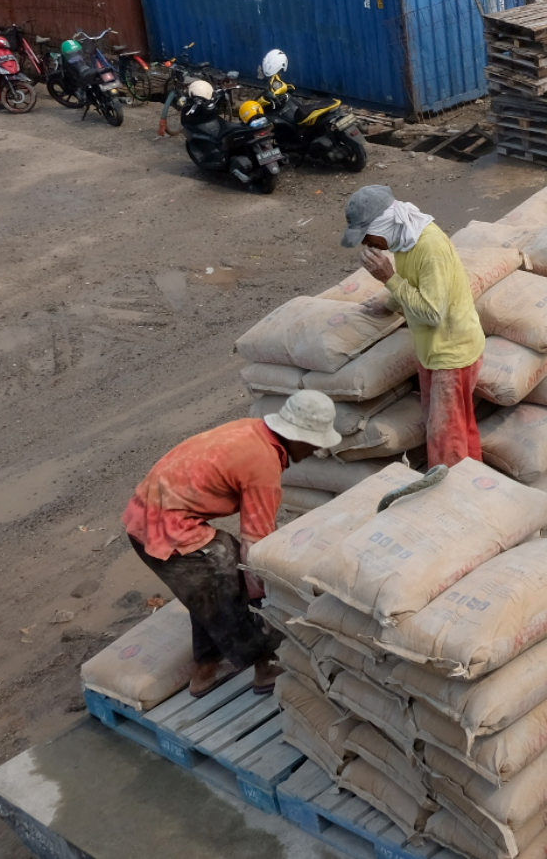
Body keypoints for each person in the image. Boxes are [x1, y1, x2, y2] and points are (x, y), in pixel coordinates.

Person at [121, 391, 341, 697]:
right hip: (167, 531)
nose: (317, 450)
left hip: (144, 517)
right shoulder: (262, 464)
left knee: (206, 590)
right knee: (229, 585)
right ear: (298, 436)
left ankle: (206, 668)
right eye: (316, 442)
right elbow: (257, 545)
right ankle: (266, 665)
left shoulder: (251, 431)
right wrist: (266, 595)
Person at [354, 189, 487, 466]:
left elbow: (431, 313)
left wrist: (387, 278)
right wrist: (389, 304)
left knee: (445, 436)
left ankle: (450, 495)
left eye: (368, 237)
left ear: (384, 224)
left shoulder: (429, 248)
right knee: (454, 425)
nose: (369, 245)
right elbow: (411, 283)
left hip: (451, 353)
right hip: (433, 350)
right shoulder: (406, 241)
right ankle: (471, 476)